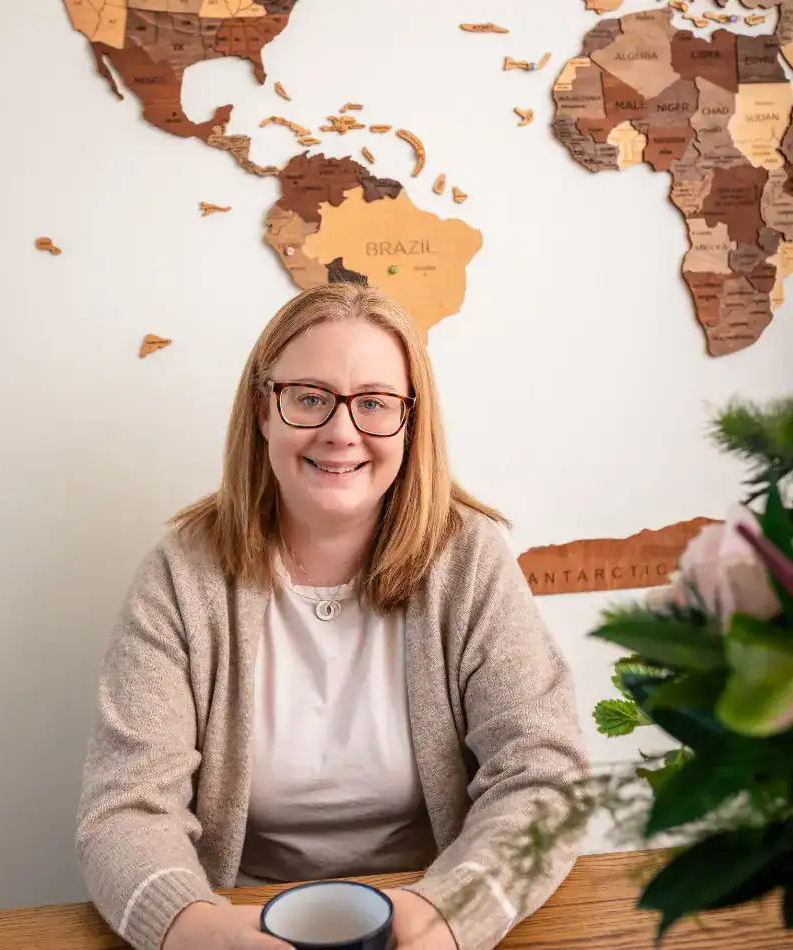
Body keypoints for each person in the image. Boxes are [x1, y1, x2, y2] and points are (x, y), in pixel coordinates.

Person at [76, 283, 588, 950]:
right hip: (241, 922)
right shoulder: (180, 576)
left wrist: (452, 914)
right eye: (310, 397)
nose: (341, 432)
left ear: (411, 421)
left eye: (373, 402)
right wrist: (195, 929)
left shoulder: (470, 561)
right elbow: (124, 809)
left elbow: (545, 776)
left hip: (426, 913)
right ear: (264, 411)